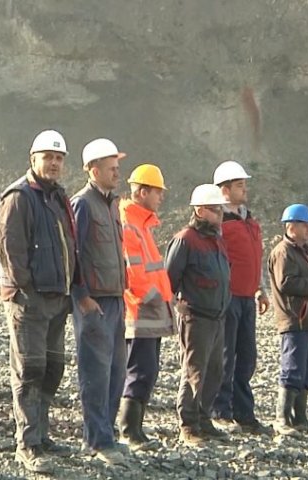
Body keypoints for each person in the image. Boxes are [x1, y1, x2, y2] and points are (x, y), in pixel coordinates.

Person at [0, 129, 79, 474]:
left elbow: (69, 245)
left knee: (52, 369)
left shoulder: (58, 196)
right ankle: (27, 444)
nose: (54, 163)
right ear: (33, 159)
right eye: (48, 157)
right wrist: (26, 290)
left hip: (58, 298)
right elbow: (10, 248)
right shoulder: (19, 196)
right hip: (30, 300)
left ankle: (42, 435)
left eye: (59, 158)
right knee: (30, 371)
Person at [70, 138, 127, 466]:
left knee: (116, 373)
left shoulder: (111, 204)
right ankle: (97, 440)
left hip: (115, 300)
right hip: (94, 302)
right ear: (93, 169)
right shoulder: (83, 204)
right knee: (96, 373)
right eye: (111, 167)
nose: (117, 173)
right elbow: (74, 252)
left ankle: (108, 435)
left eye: (117, 167)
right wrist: (82, 296)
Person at [165, 184, 231, 448]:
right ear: (201, 211)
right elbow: (168, 279)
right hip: (196, 318)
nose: (221, 215)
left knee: (214, 371)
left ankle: (204, 419)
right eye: (216, 210)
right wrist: (176, 304)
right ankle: (188, 425)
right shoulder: (185, 239)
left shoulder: (216, 240)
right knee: (194, 371)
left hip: (217, 317)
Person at [118, 164, 175, 449]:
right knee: (140, 370)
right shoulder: (129, 223)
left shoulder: (141, 223)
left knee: (147, 371)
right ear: (142, 192)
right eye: (157, 192)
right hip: (140, 310)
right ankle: (129, 430)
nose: (161, 197)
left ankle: (135, 428)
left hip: (150, 308)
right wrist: (151, 295)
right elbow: (133, 271)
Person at [211, 160, 271, 434]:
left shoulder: (249, 221)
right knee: (226, 355)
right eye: (239, 185)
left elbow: (254, 259)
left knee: (246, 357)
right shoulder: (218, 222)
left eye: (244, 184)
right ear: (224, 189)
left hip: (247, 298)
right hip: (228, 298)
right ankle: (220, 411)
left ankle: (244, 413)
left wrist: (260, 288)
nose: (244, 189)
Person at [267, 204, 308, 436]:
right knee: (292, 368)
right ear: (291, 226)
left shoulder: (306, 252)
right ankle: (282, 418)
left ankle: (300, 418)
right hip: (295, 321)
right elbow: (286, 282)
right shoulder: (283, 252)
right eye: (305, 225)